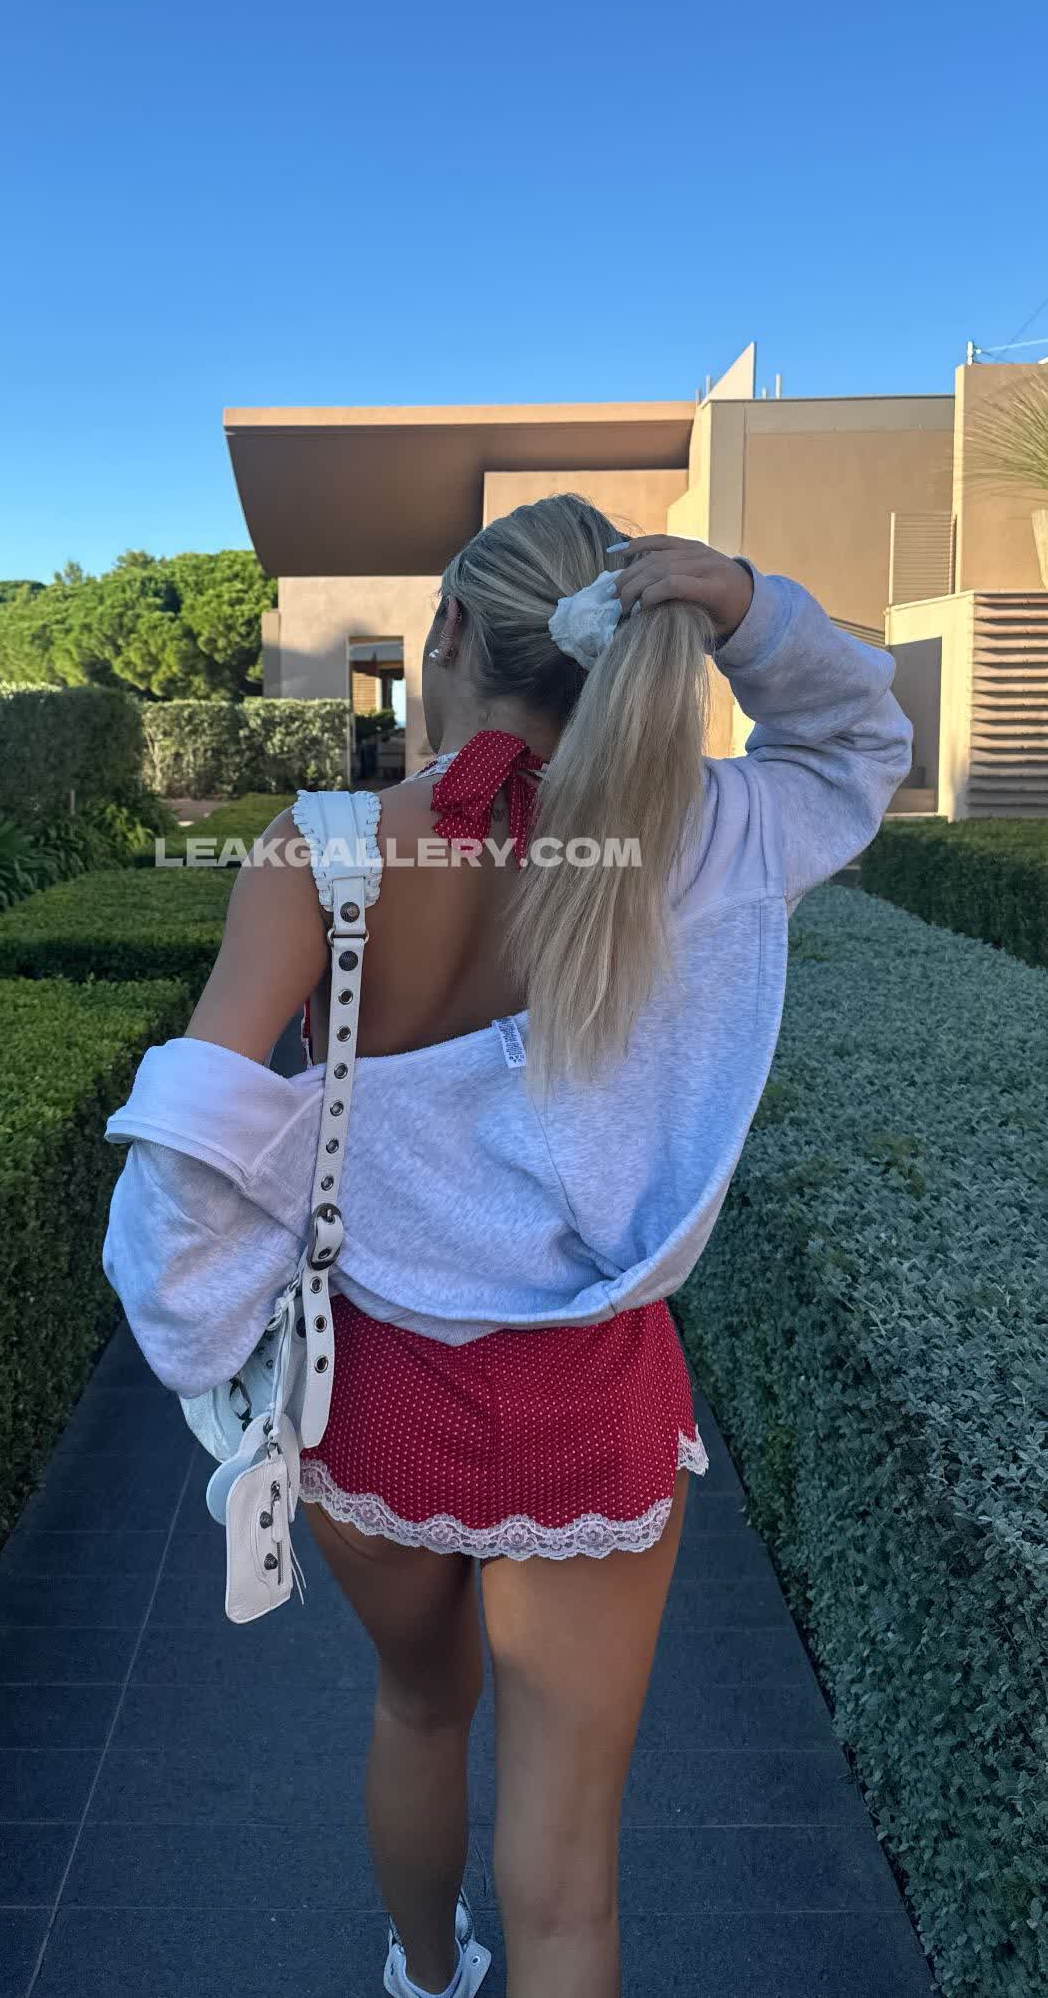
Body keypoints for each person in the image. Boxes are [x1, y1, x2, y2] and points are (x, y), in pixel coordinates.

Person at [102, 501, 914, 1998]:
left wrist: (199, 1348)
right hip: (592, 1396)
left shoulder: (321, 853)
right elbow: (864, 744)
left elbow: (195, 1144)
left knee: (418, 1708)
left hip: (374, 1387)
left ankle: (425, 1976)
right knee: (571, 1877)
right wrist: (748, 605)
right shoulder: (702, 839)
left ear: (452, 634)